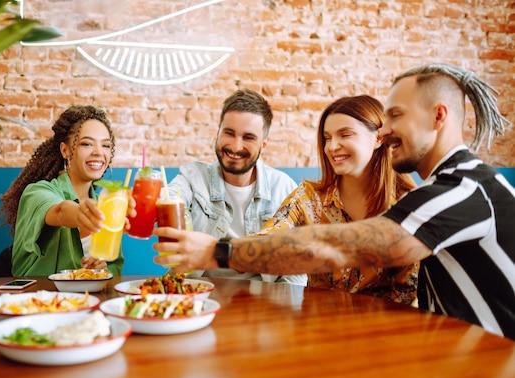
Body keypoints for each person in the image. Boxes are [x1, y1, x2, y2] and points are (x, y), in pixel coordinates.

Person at [154, 63, 515, 340]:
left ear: (438, 116)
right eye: (327, 137)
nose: (385, 130)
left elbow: (335, 249)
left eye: (395, 116)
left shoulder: (459, 191)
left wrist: (219, 251)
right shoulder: (441, 190)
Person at [257, 95, 419, 305]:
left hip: (383, 330)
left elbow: (408, 293)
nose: (332, 146)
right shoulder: (308, 197)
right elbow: (267, 239)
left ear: (378, 138)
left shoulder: (406, 205)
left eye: (345, 134)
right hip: (318, 327)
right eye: (327, 137)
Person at [167, 88, 305, 285]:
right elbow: (170, 197)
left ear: (264, 144)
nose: (235, 146)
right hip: (199, 297)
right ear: (218, 133)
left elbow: (296, 268)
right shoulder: (192, 176)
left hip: (264, 302)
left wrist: (280, 308)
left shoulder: (284, 189)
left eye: (248, 137)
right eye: (229, 133)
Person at [0, 105, 135, 276]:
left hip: (87, 299)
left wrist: (101, 269)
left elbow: (113, 266)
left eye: (106, 146)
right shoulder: (37, 192)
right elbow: (61, 211)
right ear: (65, 150)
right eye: (87, 143)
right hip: (40, 298)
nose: (99, 152)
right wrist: (81, 214)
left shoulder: (106, 204)